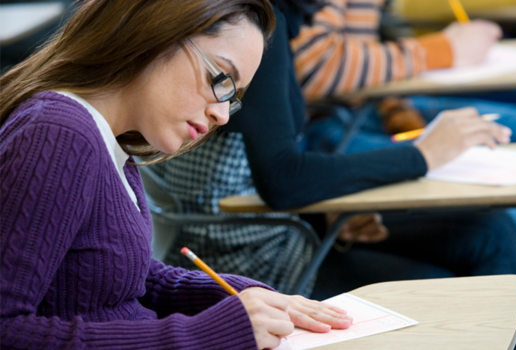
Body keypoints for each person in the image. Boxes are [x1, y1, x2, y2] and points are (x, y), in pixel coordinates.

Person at [153, 0, 516, 349]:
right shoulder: (255, 28)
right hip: (246, 253)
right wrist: (422, 154)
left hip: (283, 224)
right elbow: (283, 178)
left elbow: (272, 172)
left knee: (488, 230)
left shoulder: (281, 21)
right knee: (443, 284)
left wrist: (325, 218)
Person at [0, 1, 354, 349]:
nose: (222, 115)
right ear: (157, 33)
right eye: (220, 77)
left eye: (233, 96)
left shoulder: (113, 140)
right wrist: (204, 335)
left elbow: (119, 279)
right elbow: (6, 329)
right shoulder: (60, 134)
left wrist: (242, 294)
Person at [290, 0, 516, 258]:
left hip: (366, 107)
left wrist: (401, 115)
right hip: (315, 125)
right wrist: (445, 49)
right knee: (482, 165)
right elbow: (314, 68)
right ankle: (500, 265)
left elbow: (362, 55)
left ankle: (510, 269)